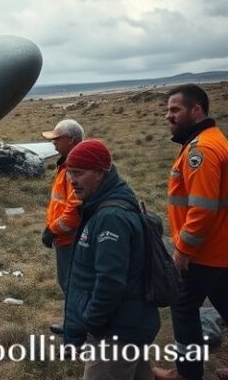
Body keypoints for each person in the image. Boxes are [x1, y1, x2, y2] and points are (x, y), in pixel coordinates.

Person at [63, 139, 160, 380]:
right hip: (128, 324)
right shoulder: (103, 207)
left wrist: (92, 324)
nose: (72, 181)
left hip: (116, 331)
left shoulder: (110, 217)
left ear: (99, 173)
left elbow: (110, 282)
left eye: (78, 173)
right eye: (69, 174)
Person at [153, 84, 228, 380]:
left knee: (183, 308)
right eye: (167, 110)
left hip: (204, 253)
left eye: (175, 110)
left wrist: (182, 252)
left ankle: (186, 373)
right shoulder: (214, 139)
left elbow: (202, 210)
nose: (168, 116)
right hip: (220, 249)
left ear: (196, 110)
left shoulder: (203, 151)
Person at [41, 118, 84, 334]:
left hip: (70, 239)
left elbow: (74, 210)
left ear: (71, 140)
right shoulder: (67, 165)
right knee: (69, 284)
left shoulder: (74, 168)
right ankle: (72, 325)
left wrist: (53, 230)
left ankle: (75, 333)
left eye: (58, 139)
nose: (54, 143)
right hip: (64, 237)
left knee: (72, 285)